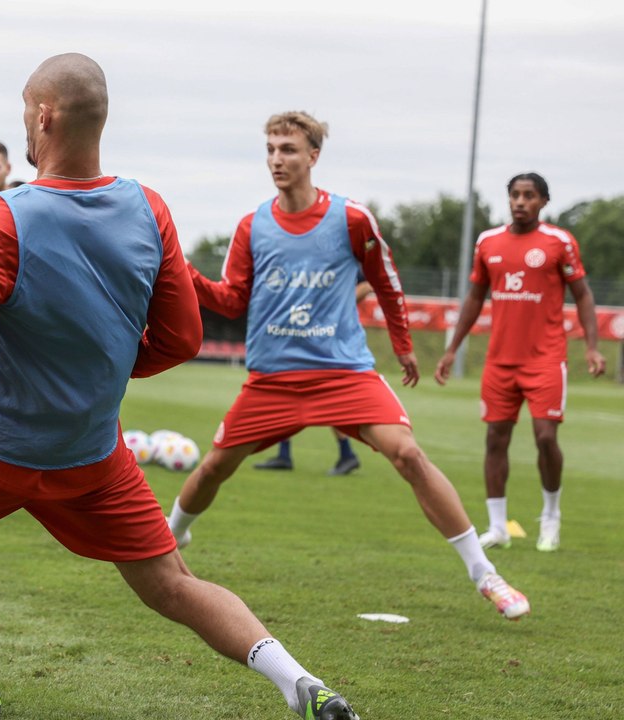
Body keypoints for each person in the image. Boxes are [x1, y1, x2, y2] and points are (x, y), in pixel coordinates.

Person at [0, 56, 359, 719]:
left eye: (25, 116)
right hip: (92, 458)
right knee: (172, 584)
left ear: (43, 117)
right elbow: (181, 339)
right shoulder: (149, 207)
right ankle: (304, 685)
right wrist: (96, 375)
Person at [166, 111, 528, 622]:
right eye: (270, 149)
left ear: (313, 155)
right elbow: (231, 301)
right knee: (213, 466)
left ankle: (483, 573)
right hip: (272, 379)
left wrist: (402, 344)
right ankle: (174, 534)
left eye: (288, 149)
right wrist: (183, 270)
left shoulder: (351, 219)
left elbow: (387, 280)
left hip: (343, 373)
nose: (277, 159)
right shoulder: (252, 226)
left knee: (408, 455)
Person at [434, 172, 606, 552]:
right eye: (515, 195)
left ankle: (550, 517)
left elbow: (583, 295)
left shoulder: (559, 242)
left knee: (546, 437)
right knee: (496, 439)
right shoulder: (487, 242)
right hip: (500, 363)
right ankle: (497, 527)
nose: (520, 202)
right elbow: (475, 299)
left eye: (529, 196)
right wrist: (451, 350)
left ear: (543, 201)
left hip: (545, 359)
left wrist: (592, 347)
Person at [256, 281, 373, 475]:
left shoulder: (342, 253)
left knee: (324, 395)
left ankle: (347, 454)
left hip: (327, 338)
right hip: (299, 331)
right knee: (286, 388)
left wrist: (330, 307)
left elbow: (367, 285)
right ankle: (284, 454)